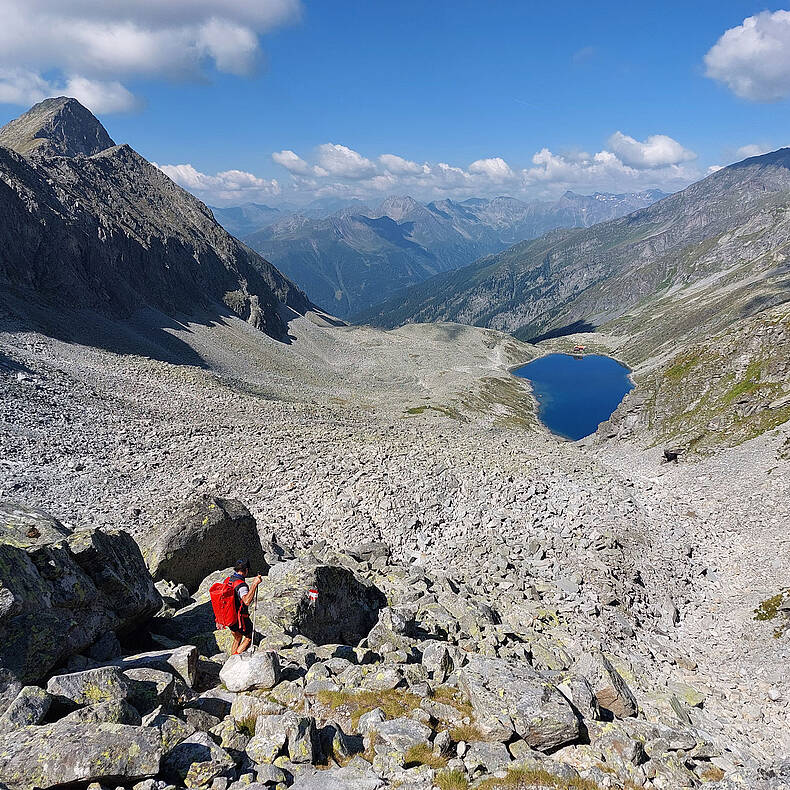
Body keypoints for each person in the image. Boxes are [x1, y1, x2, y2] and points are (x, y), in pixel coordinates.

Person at [228, 558, 262, 655]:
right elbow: (246, 601)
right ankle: (234, 659)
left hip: (229, 616)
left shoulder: (229, 580)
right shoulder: (241, 584)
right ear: (246, 570)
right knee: (249, 636)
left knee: (238, 637)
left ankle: (231, 658)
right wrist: (254, 584)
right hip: (239, 618)